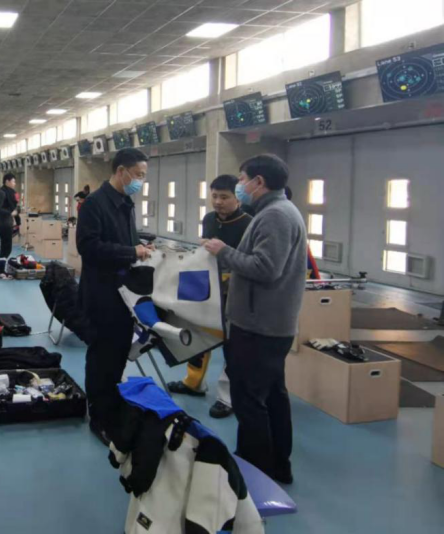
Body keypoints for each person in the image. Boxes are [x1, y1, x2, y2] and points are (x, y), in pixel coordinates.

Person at [203, 154, 307, 485]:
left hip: (260, 326)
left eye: (241, 179)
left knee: (249, 401)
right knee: (272, 397)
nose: (239, 185)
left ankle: (255, 472)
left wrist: (223, 251)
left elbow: (266, 268)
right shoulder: (277, 211)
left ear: (258, 182)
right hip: (267, 323)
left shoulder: (275, 215)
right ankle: (278, 466)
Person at [76, 148, 151, 445]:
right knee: (101, 358)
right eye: (139, 175)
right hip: (101, 295)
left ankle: (111, 405)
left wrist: (140, 246)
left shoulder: (126, 203)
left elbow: (124, 240)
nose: (141, 181)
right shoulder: (95, 204)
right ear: (121, 171)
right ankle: (99, 417)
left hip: (124, 296)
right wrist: (131, 251)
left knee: (118, 354)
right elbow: (88, 247)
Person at [167, 175, 252, 419]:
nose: (218, 202)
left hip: (234, 293)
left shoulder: (248, 224)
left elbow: (249, 261)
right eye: (214, 196)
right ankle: (193, 383)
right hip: (205, 288)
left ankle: (227, 397)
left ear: (237, 198)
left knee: (231, 346)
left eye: (224, 197)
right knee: (198, 338)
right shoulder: (209, 219)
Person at [0, 173, 18, 279]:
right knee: (5, 249)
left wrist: (17, 221)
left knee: (7, 249)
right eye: (13, 181)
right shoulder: (2, 193)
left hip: (8, 224)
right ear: (7, 181)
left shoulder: (9, 193)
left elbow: (12, 207)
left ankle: (1, 270)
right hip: (4, 225)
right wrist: (10, 213)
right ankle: (0, 271)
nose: (15, 183)